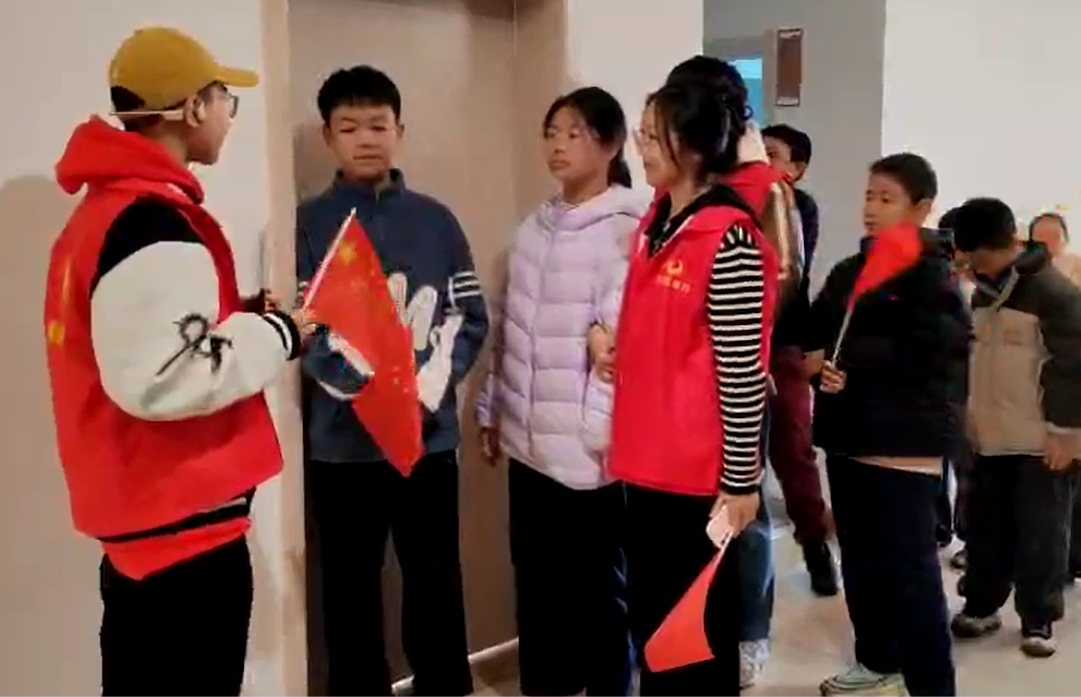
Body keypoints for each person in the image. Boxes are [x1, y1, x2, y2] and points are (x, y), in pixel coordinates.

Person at [43, 26, 314, 696]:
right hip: (182, 537)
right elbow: (163, 377)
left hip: (145, 529)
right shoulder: (150, 223)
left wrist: (239, 311)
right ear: (192, 107)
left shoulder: (106, 215)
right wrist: (280, 332)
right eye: (224, 100)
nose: (228, 117)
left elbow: (137, 337)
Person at [296, 66, 489, 696]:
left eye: (378, 125)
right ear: (328, 137)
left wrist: (420, 394)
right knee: (349, 591)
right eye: (350, 127)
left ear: (400, 132)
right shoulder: (307, 224)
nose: (366, 138)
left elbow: (469, 315)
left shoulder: (436, 221)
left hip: (427, 442)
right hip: (342, 446)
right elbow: (305, 326)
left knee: (435, 583)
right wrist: (369, 393)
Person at [608, 77, 778, 696]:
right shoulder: (657, 224)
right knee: (656, 629)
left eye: (656, 136)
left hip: (698, 477)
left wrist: (740, 482)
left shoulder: (728, 238)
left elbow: (741, 372)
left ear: (698, 145)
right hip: (647, 463)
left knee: (694, 638)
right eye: (643, 134)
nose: (643, 147)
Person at [475, 86, 646, 697]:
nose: (558, 145)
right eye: (552, 132)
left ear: (611, 144)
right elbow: (509, 328)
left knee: (598, 588)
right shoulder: (532, 229)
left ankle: (608, 686)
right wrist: (493, 407)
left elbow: (617, 349)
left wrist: (600, 437)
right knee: (537, 582)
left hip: (588, 451)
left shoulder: (627, 230)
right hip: (528, 444)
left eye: (575, 133)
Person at [803, 153, 968, 696]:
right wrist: (816, 363)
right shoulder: (851, 269)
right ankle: (877, 659)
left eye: (886, 198)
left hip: (904, 443)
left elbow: (938, 352)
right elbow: (818, 329)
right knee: (860, 560)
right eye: (869, 195)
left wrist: (852, 363)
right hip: (849, 435)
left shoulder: (932, 274)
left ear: (921, 208)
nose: (871, 208)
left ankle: (932, 686)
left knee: (910, 572)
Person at [662, 55, 789, 688]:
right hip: (682, 401)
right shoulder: (677, 191)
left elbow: (780, 279)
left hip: (741, 377)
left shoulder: (763, 188)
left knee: (744, 515)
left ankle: (750, 632)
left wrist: (741, 354)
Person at [949, 198, 1081, 658]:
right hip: (988, 435)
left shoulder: (1054, 293)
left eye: (976, 256)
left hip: (1041, 439)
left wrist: (1066, 432)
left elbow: (1074, 367)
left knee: (1041, 534)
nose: (971, 264)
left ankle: (1038, 618)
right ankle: (982, 605)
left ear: (1001, 245)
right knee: (984, 529)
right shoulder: (984, 290)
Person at [761, 123, 839, 597]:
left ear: (797, 168)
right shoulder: (731, 200)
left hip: (783, 342)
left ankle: (814, 545)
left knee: (793, 449)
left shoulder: (798, 207)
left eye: (772, 153)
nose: (761, 159)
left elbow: (784, 273)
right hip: (734, 344)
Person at [1028, 212, 1081, 583]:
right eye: (1038, 239)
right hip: (1039, 400)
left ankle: (1072, 559)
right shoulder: (1025, 281)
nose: (1045, 246)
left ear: (1065, 239)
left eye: (1052, 238)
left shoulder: (1072, 278)